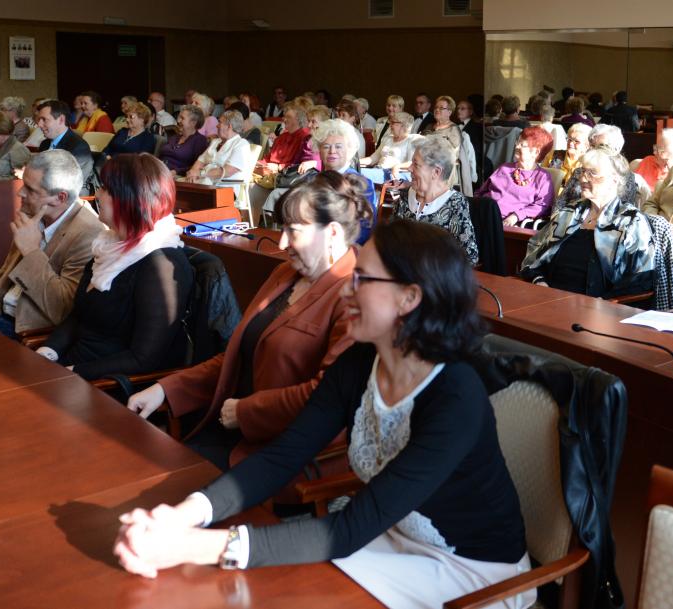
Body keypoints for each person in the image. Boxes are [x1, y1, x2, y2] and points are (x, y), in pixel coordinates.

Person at [112, 219, 532, 609]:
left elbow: (346, 531)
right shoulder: (360, 362)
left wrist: (191, 546)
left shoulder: (455, 397)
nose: (346, 289)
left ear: (409, 297)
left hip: (471, 569)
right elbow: (283, 457)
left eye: (362, 278)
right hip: (389, 535)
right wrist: (183, 514)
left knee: (280, 590)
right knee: (260, 584)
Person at [127, 172, 370, 473]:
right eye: (282, 228)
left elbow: (327, 396)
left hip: (286, 454)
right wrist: (166, 389)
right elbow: (239, 355)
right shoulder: (286, 273)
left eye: (293, 231)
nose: (283, 242)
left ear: (332, 232)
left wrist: (246, 411)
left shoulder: (356, 295)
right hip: (232, 432)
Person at [37, 154, 193, 381]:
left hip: (105, 384)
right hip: (73, 368)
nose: (97, 194)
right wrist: (48, 351)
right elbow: (79, 316)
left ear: (130, 199)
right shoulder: (108, 244)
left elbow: (144, 358)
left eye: (106, 189)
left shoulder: (162, 264)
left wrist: (71, 373)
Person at [0, 150, 103, 336]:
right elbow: (3, 275)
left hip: (27, 334)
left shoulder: (88, 234)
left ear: (60, 197)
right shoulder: (34, 216)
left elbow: (62, 308)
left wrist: (31, 251)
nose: (20, 192)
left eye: (31, 190)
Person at [520, 146, 654, 298]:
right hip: (548, 298)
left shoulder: (630, 221)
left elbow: (642, 280)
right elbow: (535, 255)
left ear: (614, 179)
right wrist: (539, 281)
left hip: (597, 307)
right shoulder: (569, 212)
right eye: (583, 171)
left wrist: (603, 303)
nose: (583, 179)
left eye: (592, 173)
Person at [393, 137, 478, 264]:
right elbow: (391, 241)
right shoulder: (405, 196)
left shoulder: (455, 203)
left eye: (416, 164)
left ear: (436, 172)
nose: (409, 168)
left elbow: (469, 256)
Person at [476, 126, 555, 225]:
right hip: (482, 214)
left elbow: (542, 206)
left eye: (522, 144)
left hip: (504, 223)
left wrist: (516, 216)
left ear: (536, 152)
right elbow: (481, 192)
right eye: (517, 142)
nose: (517, 146)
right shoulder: (504, 168)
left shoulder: (543, 177)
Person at [188, 110, 257, 214]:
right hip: (206, 184)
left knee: (188, 198)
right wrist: (192, 173)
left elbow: (227, 171)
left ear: (229, 126)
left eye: (220, 122)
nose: (217, 126)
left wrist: (200, 173)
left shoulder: (241, 144)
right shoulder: (216, 142)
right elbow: (200, 160)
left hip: (226, 189)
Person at [35, 99, 95, 190]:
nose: (39, 124)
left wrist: (33, 175)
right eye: (39, 120)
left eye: (44, 119)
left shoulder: (78, 147)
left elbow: (71, 183)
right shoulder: (44, 144)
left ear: (61, 120)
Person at [258, 103, 315, 174]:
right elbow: (267, 159)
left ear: (298, 119)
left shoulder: (304, 139)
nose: (284, 119)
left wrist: (279, 167)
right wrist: (257, 164)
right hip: (267, 172)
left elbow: (299, 164)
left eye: (288, 117)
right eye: (284, 116)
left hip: (286, 175)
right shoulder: (281, 138)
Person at [157, 105, 209, 174]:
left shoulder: (200, 140)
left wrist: (176, 171)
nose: (178, 121)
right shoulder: (174, 137)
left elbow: (197, 166)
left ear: (193, 123)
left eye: (182, 118)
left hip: (177, 176)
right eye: (179, 117)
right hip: (159, 170)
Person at [633, 128, 673, 192]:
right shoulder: (648, 161)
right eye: (656, 147)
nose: (654, 152)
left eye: (660, 151)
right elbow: (632, 186)